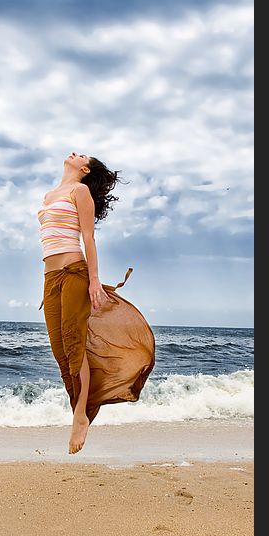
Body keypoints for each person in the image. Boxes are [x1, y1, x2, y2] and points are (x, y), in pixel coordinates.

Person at [37, 152, 155, 455]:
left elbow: (88, 238)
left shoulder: (80, 191)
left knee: (75, 346)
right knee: (60, 350)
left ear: (84, 168)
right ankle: (80, 406)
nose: (74, 154)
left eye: (81, 155)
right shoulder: (50, 195)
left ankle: (80, 417)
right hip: (51, 278)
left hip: (74, 273)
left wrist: (93, 280)